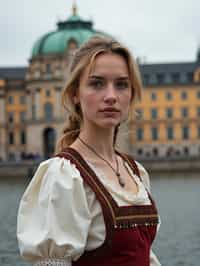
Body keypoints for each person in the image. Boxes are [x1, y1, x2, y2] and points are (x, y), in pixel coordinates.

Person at [17, 36, 161, 266]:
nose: (111, 96)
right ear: (75, 93)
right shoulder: (64, 176)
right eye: (97, 83)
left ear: (132, 94)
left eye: (122, 84)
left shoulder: (136, 171)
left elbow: (144, 255)